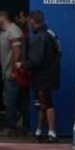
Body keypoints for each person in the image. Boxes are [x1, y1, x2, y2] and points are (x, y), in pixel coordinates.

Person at [18, 10, 60, 143]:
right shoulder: (51, 34)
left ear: (32, 22)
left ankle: (52, 133)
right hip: (52, 74)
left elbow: (35, 61)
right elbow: (59, 53)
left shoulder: (39, 38)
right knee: (43, 103)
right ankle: (39, 131)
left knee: (46, 103)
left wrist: (22, 65)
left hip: (42, 77)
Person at [0, 9, 26, 136]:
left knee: (9, 100)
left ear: (3, 16)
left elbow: (17, 50)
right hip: (6, 72)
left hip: (12, 73)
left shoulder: (13, 30)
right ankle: (18, 124)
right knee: (10, 99)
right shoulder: (3, 33)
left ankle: (10, 127)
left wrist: (14, 70)